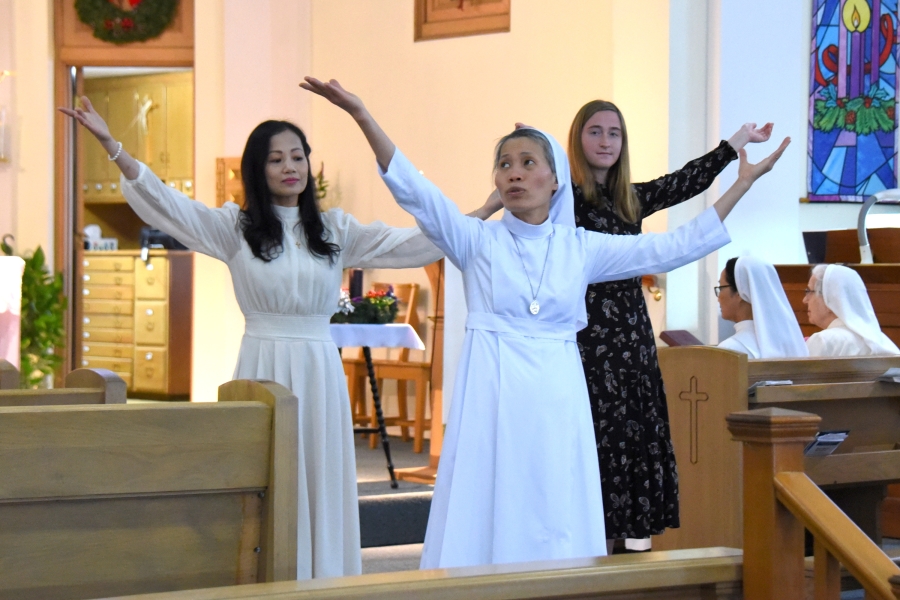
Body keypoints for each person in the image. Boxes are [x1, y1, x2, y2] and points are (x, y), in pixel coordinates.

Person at [301, 76, 789, 568]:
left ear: (555, 181)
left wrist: (741, 185)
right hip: (495, 390)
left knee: (555, 497)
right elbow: (417, 193)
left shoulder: (581, 248)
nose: (513, 174)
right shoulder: (477, 241)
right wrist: (362, 115)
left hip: (560, 393)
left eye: (527, 163)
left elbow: (673, 247)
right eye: (504, 165)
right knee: (494, 491)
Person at [59, 97, 502, 580]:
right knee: (265, 474)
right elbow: (168, 205)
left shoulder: (334, 229)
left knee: (319, 474)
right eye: (276, 158)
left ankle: (324, 577)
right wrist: (111, 144)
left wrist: (483, 210)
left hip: (317, 365)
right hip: (262, 365)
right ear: (258, 168)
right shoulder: (235, 228)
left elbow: (413, 242)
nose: (290, 166)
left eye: (297, 156)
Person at [565, 100, 776, 542]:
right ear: (577, 139)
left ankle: (625, 544)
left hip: (630, 333)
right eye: (595, 132)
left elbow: (683, 182)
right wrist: (535, 151)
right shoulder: (563, 198)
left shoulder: (630, 198)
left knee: (632, 431)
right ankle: (585, 543)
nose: (605, 141)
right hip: (584, 333)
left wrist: (735, 145)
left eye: (614, 133)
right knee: (591, 435)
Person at [715, 256, 808, 358]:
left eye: (721, 288)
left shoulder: (729, 350)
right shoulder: (792, 344)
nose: (718, 297)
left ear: (740, 292)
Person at [804, 264, 900, 356]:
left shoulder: (822, 341)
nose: (805, 300)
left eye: (809, 291)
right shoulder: (882, 343)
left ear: (829, 298)